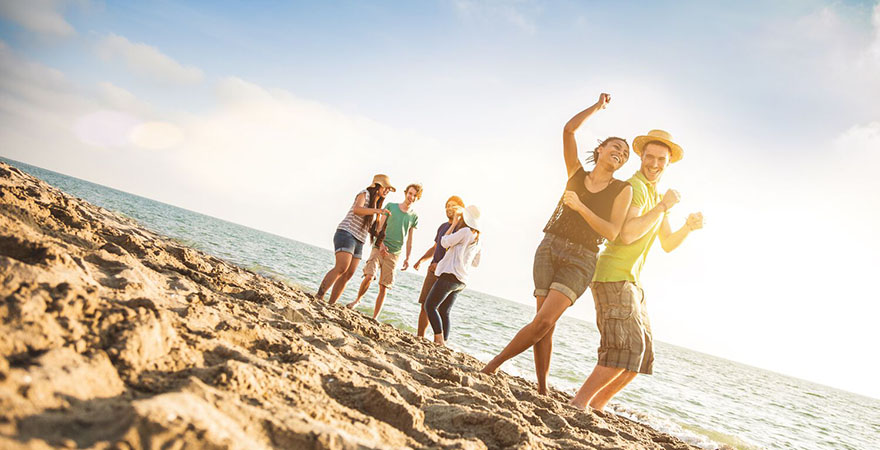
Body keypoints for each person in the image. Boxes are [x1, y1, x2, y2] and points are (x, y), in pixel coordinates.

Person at [481, 93, 633, 395]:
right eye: (616, 146)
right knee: (543, 323)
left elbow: (613, 232)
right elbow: (568, 130)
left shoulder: (622, 189)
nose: (621, 153)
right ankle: (541, 388)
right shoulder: (576, 173)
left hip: (583, 258)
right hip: (550, 248)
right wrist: (598, 107)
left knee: (544, 321)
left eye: (626, 153)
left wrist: (580, 207)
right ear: (601, 149)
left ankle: (490, 367)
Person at [569, 129, 703, 412]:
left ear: (668, 163)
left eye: (661, 159)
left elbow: (666, 243)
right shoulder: (635, 188)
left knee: (641, 358)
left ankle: (597, 406)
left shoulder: (655, 194)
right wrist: (664, 206)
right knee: (623, 351)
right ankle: (579, 403)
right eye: (649, 157)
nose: (654, 164)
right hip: (614, 275)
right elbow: (627, 234)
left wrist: (688, 227)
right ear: (641, 156)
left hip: (632, 281)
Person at [347, 183, 422, 319]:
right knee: (369, 276)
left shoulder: (414, 217)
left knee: (384, 287)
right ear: (406, 193)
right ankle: (357, 300)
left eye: (414, 195)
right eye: (410, 193)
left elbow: (410, 239)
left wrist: (407, 258)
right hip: (379, 247)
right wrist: (380, 244)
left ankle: (374, 318)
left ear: (417, 198)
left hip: (394, 254)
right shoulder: (391, 206)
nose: (411, 197)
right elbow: (378, 227)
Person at [315, 174, 393, 304]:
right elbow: (357, 209)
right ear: (378, 185)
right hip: (347, 233)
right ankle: (319, 297)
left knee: (349, 273)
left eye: (389, 189)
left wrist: (382, 245)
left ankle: (331, 303)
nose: (387, 191)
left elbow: (372, 230)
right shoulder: (365, 193)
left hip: (359, 240)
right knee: (341, 267)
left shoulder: (377, 204)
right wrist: (377, 211)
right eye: (385, 187)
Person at [423, 204, 482, 346]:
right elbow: (475, 263)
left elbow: (444, 242)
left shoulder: (465, 231)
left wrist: (454, 224)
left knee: (430, 306)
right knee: (444, 311)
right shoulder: (477, 238)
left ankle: (439, 340)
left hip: (450, 276)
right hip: (461, 281)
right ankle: (445, 342)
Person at [412, 195, 466, 338]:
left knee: (442, 309)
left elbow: (453, 250)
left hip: (446, 273)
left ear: (460, 209)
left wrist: (439, 264)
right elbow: (436, 247)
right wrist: (421, 260)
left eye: (453, 206)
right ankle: (420, 337)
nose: (449, 209)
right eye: (447, 206)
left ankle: (441, 340)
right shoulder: (443, 226)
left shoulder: (461, 229)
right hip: (433, 270)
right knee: (425, 304)